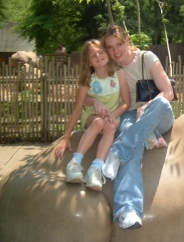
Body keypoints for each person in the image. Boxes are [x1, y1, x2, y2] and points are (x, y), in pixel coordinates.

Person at [88, 25, 174, 230]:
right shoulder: (110, 67)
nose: (116, 50)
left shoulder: (147, 58)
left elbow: (168, 92)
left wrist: (147, 105)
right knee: (132, 148)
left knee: (160, 104)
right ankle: (128, 211)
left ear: (127, 40)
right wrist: (94, 103)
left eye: (119, 44)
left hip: (156, 113)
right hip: (130, 117)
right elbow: (87, 87)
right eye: (110, 47)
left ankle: (117, 152)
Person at [54, 39, 130, 192]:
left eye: (101, 52)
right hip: (92, 116)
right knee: (99, 123)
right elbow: (77, 108)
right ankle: (75, 163)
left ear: (107, 54)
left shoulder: (118, 73)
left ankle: (96, 168)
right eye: (93, 55)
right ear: (88, 62)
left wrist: (112, 115)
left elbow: (126, 103)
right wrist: (66, 137)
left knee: (110, 125)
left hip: (112, 114)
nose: (98, 56)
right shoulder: (88, 79)